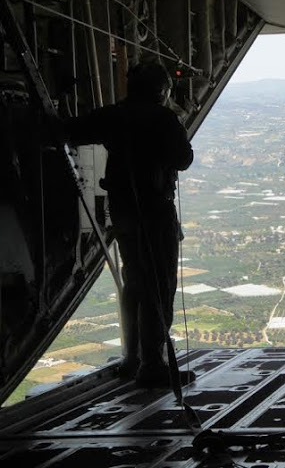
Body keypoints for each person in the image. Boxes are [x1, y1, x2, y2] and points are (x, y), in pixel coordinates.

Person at [64, 62, 194, 388]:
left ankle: (132, 357)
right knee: (158, 286)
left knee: (134, 283)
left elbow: (73, 131)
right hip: (154, 211)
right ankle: (153, 364)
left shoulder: (113, 116)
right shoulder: (163, 119)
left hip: (123, 212)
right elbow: (183, 159)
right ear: (161, 91)